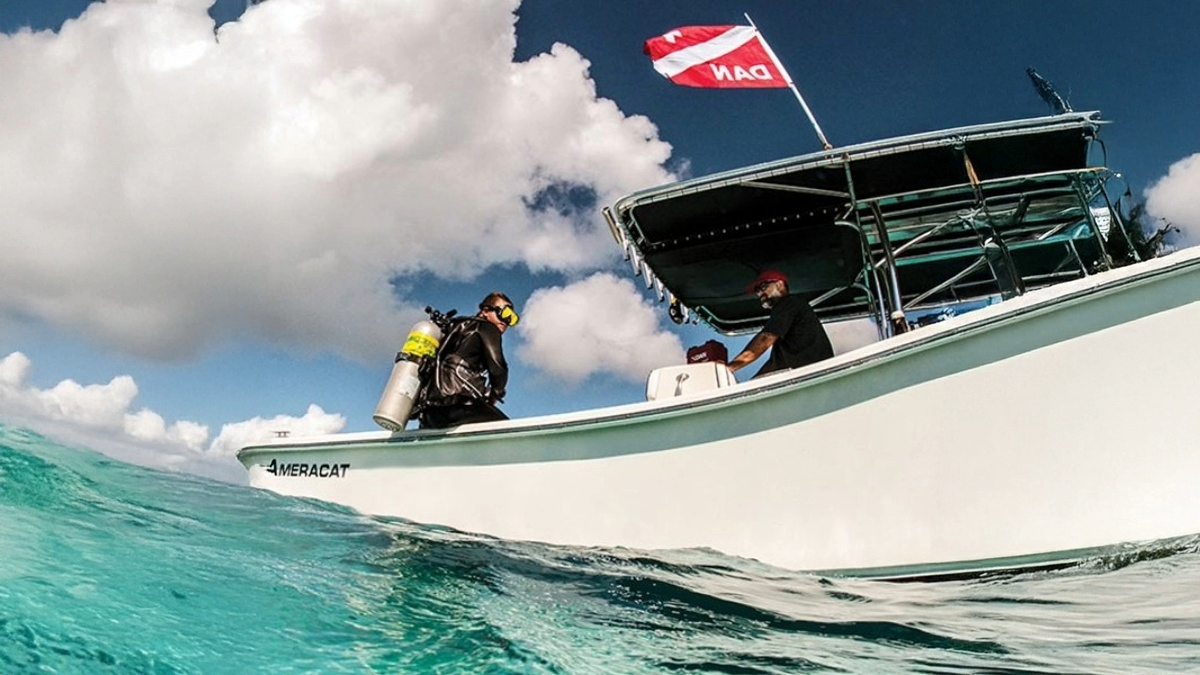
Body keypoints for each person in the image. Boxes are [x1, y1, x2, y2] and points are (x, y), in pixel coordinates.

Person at [417, 292, 518, 429]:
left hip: (430, 412)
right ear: (485, 311)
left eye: (511, 319)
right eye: (504, 313)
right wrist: (496, 393)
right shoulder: (487, 327)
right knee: (508, 432)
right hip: (458, 405)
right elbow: (498, 368)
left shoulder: (453, 327)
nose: (506, 321)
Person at [726, 270, 833, 379]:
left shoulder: (789, 303)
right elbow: (774, 365)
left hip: (812, 375)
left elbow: (766, 338)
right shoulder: (787, 319)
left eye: (763, 287)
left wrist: (729, 368)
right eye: (757, 291)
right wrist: (751, 383)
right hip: (809, 376)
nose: (759, 294)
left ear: (780, 284)